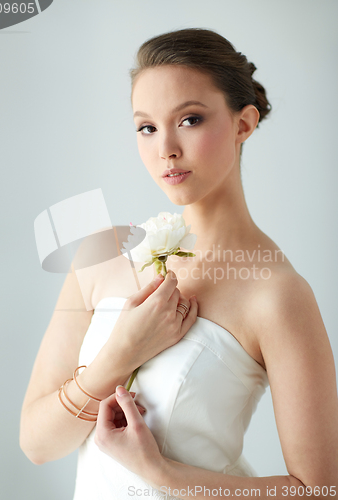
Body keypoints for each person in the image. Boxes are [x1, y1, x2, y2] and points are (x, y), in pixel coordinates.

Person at [20, 28, 338, 499]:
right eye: (146, 127)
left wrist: (162, 474)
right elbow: (38, 445)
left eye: (189, 119)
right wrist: (118, 355)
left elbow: (320, 489)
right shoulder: (100, 255)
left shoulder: (277, 292)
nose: (165, 147)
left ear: (243, 124)